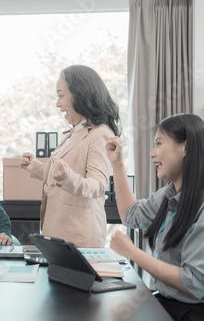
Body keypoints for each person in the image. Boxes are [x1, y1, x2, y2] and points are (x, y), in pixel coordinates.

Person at [106, 114, 204, 320]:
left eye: (158, 144)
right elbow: (131, 216)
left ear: (185, 147)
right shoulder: (169, 193)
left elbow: (195, 282)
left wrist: (132, 252)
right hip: (166, 302)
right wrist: (117, 164)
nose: (152, 154)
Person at [20, 65, 121, 247]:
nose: (57, 104)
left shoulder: (100, 134)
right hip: (61, 233)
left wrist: (67, 178)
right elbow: (63, 173)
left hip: (79, 239)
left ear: (80, 94)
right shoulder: (77, 131)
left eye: (61, 96)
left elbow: (97, 185)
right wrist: (34, 166)